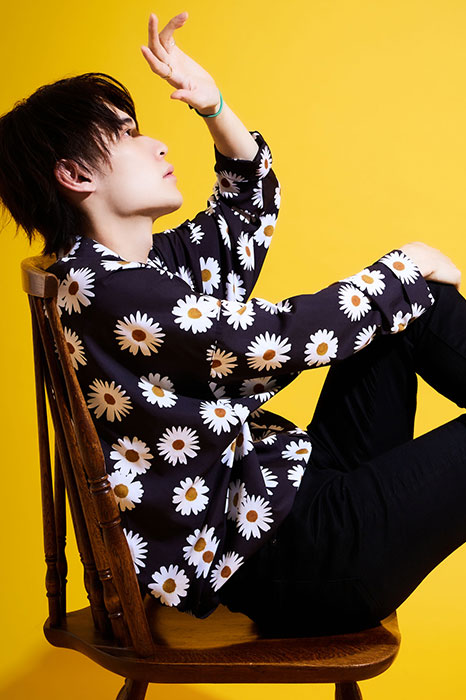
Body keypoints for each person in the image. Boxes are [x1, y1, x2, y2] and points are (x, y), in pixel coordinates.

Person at [1, 10, 465, 636]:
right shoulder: (105, 291)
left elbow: (245, 210)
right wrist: (401, 267)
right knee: (409, 291)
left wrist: (213, 105)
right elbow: (264, 341)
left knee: (420, 309)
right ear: (76, 175)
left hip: (288, 491)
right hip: (300, 560)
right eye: (128, 134)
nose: (157, 144)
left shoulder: (132, 268)